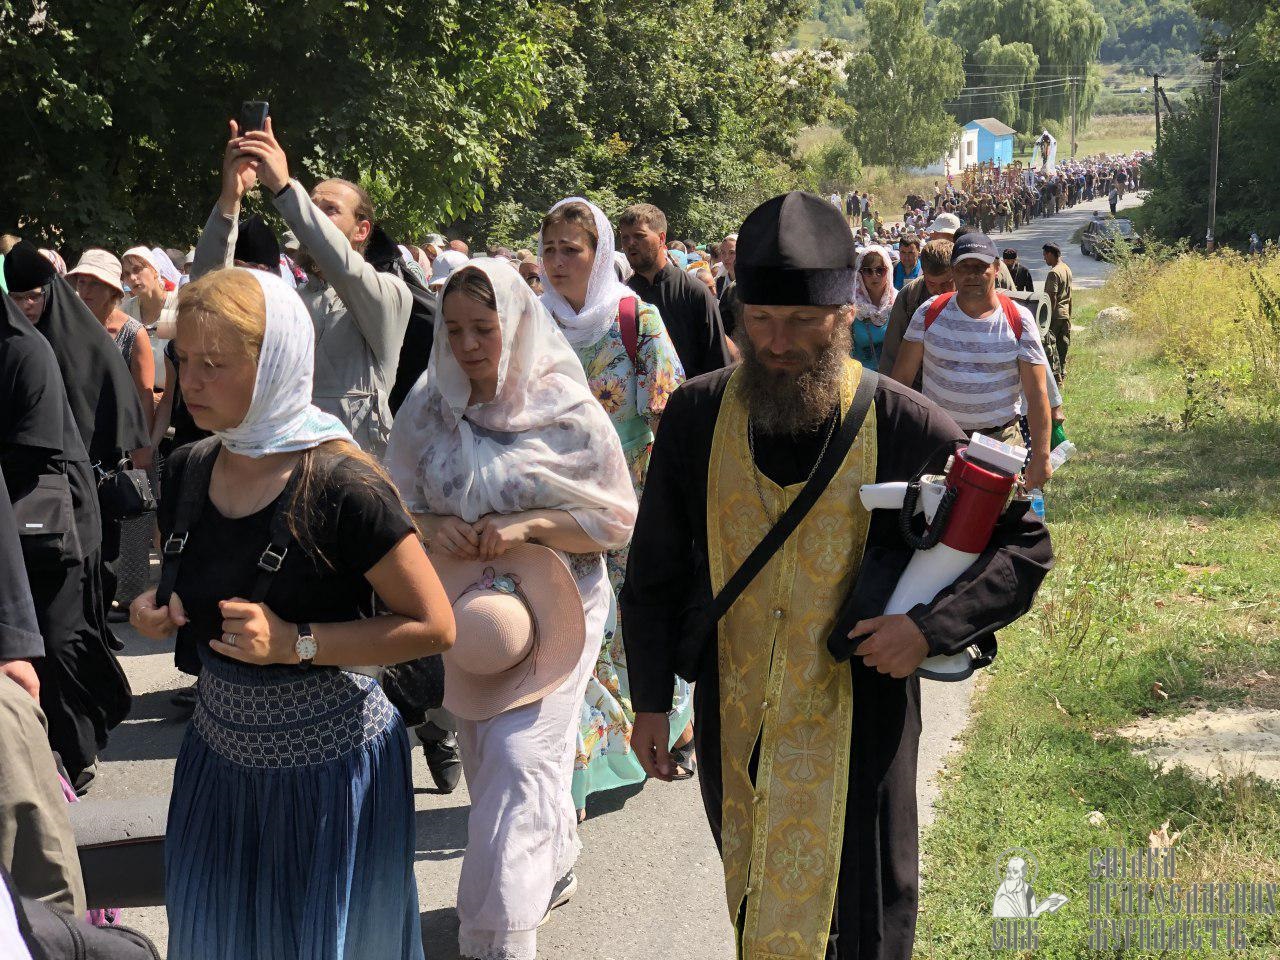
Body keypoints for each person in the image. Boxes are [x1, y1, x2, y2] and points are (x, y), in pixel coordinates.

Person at [621, 191, 1052, 960]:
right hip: (739, 719)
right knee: (759, 902)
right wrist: (651, 701)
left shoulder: (902, 422)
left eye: (799, 324)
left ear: (842, 316)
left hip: (866, 725)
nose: (777, 343)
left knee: (865, 924)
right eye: (759, 322)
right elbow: (652, 571)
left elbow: (1021, 544)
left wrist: (926, 631)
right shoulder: (694, 417)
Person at [129, 267, 454, 960]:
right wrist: (161, 610)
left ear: (275, 362)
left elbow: (433, 626)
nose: (191, 382)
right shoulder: (188, 467)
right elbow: (198, 587)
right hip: (219, 766)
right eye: (185, 360)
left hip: (333, 779)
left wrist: (295, 643)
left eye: (216, 364)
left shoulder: (345, 483)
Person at [386, 259, 637, 960]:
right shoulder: (429, 405)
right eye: (457, 329)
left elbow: (616, 521)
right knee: (487, 758)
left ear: (518, 324)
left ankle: (497, 936)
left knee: (523, 758)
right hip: (468, 616)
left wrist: (529, 526)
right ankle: (551, 860)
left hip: (562, 605)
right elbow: (393, 503)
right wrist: (436, 529)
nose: (468, 344)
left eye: (484, 328)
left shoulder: (567, 410)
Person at [538, 198, 693, 807]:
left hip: (634, 498)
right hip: (561, 501)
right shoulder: (533, 325)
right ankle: (578, 762)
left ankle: (663, 724)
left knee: (636, 619)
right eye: (548, 249)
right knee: (577, 626)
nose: (557, 262)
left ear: (598, 254)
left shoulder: (636, 318)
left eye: (570, 249)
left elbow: (670, 412)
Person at [196, 117, 411, 459]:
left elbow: (347, 270)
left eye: (330, 210)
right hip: (278, 468)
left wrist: (285, 189)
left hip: (352, 477)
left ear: (361, 230)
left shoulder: (390, 297)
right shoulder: (288, 302)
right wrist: (229, 201)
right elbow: (207, 296)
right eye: (312, 206)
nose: (314, 216)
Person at [0, 292, 132, 794]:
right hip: (21, 520)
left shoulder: (24, 351)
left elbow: (34, 446)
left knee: (56, 640)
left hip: (54, 523)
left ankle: (78, 751)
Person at [890, 233, 1055, 492]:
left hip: (1000, 444)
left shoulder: (1019, 319)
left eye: (980, 267)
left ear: (997, 268)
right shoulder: (929, 313)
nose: (972, 274)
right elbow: (900, 383)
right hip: (938, 443)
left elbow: (1037, 394)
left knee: (997, 524)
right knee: (937, 526)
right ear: (953, 272)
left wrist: (1042, 457)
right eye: (964, 267)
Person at [619, 203, 732, 378]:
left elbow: (717, 364)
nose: (630, 244)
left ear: (661, 238)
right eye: (625, 237)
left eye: (639, 236)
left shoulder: (693, 292)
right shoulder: (623, 296)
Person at [68, 249, 156, 434]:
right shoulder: (69, 326)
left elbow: (144, 398)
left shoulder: (134, 333)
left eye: (94, 283)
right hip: (74, 434)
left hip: (117, 437)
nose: (85, 290)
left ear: (112, 288)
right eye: (81, 282)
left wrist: (143, 448)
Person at [879, 237, 956, 382]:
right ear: (923, 273)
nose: (939, 291)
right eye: (932, 283)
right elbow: (891, 352)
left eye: (947, 283)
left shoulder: (969, 296)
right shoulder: (909, 296)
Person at [851, 245, 895, 371]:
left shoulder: (899, 301)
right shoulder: (851, 305)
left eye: (880, 270)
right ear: (860, 274)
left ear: (888, 271)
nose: (874, 276)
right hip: (862, 378)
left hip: (891, 377)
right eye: (867, 271)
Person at [1042, 242, 1073, 382]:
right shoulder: (1066, 268)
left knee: (1051, 347)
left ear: (1050, 254)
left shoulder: (1054, 273)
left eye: (1045, 256)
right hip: (1065, 314)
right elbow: (1070, 295)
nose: (1044, 259)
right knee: (1063, 346)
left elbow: (1051, 297)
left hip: (1055, 315)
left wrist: (1046, 317)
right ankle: (1063, 373)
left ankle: (1056, 379)